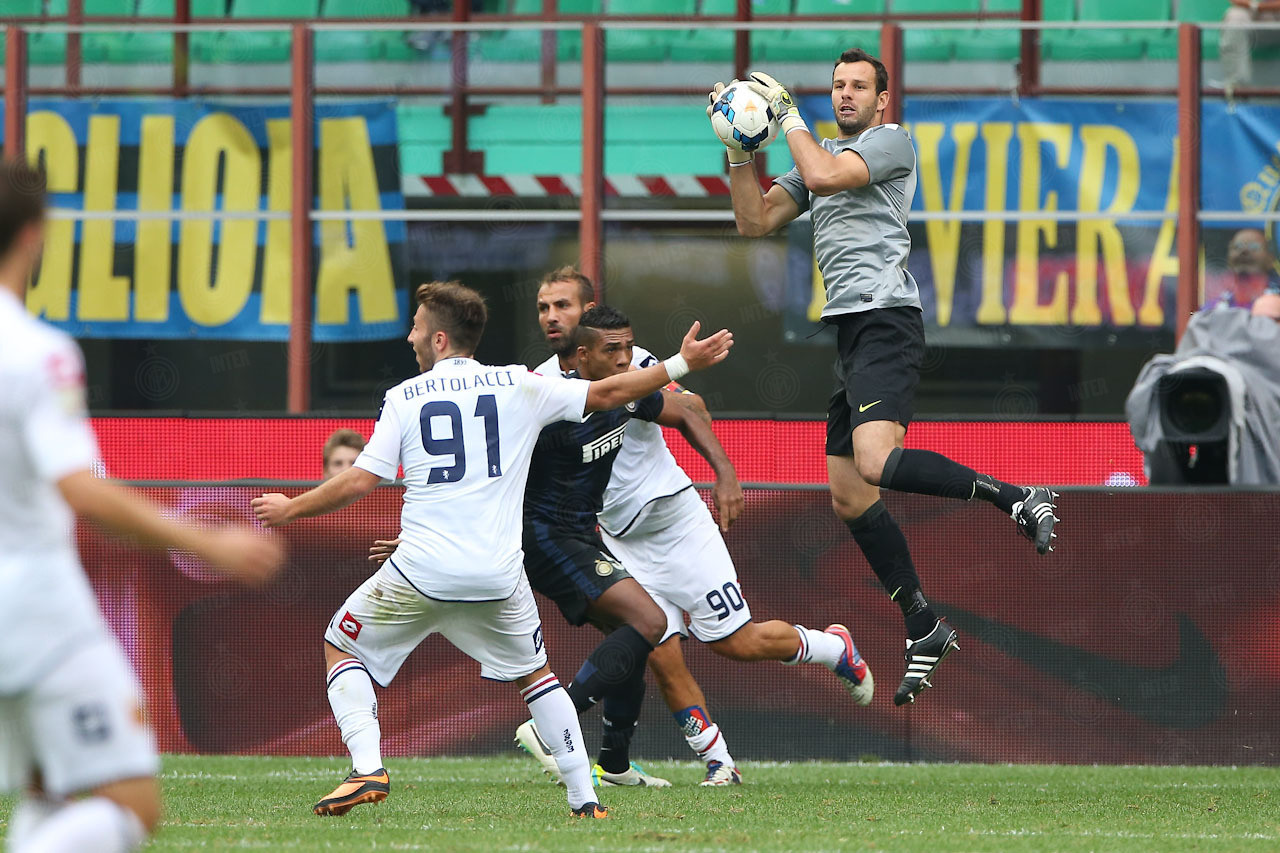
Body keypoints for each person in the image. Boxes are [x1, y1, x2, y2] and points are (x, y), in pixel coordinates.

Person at [251, 281, 732, 817]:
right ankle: (585, 799)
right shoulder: (517, 383)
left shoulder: (404, 396)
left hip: (420, 570)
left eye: (415, 327)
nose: (409, 336)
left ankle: (367, 767)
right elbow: (606, 394)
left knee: (341, 644)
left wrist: (291, 508)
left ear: (438, 339)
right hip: (499, 576)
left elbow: (363, 479)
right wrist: (679, 364)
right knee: (539, 678)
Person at [712, 49, 1059, 706]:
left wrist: (785, 115)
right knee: (849, 495)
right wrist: (736, 150)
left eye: (858, 87)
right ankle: (923, 623)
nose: (845, 94)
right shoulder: (815, 158)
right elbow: (753, 221)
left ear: (881, 100)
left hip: (886, 320)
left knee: (874, 460)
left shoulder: (891, 143)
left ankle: (1017, 496)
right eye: (837, 85)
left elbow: (824, 174)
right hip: (853, 331)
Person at [0, 157, 283, 853]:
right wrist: (208, 541)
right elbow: (81, 488)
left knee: (45, 788)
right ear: (35, 234)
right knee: (131, 803)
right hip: (35, 607)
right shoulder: (35, 351)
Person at [523, 269, 870, 787]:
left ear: (589, 312)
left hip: (674, 520)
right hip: (616, 534)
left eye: (564, 306)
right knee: (654, 646)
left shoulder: (631, 364)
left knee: (737, 643)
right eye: (544, 307)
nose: (553, 317)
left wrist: (725, 474)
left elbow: (690, 409)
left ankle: (833, 648)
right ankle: (717, 762)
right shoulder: (543, 383)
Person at [1205, 227, 1280, 310]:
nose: (1244, 251)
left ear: (1271, 258)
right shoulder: (1215, 303)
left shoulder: (1277, 297)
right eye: (1237, 246)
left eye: (1254, 247)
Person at [1222, 0, 1280, 94]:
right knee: (1235, 16)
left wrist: (1258, 6)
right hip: (1254, 14)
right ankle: (1238, 89)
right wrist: (1256, 6)